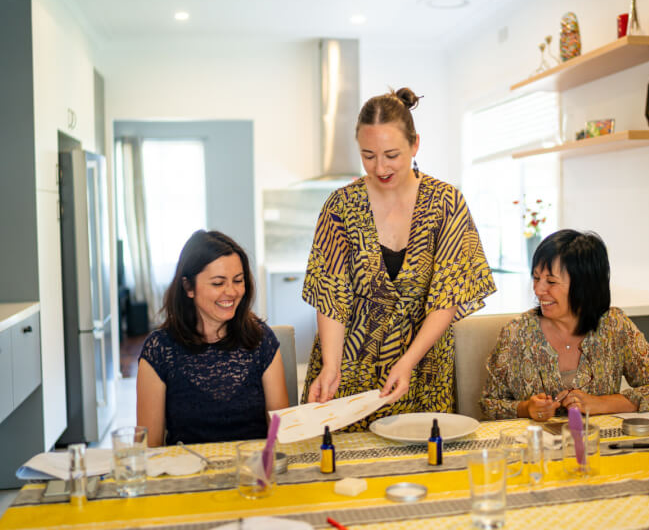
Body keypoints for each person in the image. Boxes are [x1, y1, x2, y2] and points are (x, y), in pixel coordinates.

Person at [302, 87, 496, 430]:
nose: (380, 167)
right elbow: (331, 296)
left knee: (421, 459)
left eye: (391, 154)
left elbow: (446, 298)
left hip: (423, 363)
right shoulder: (341, 206)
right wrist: (331, 365)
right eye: (368, 155)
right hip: (349, 361)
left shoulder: (446, 204)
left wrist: (407, 362)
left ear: (415, 144)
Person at [480, 229, 649, 420]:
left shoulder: (615, 326)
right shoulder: (516, 333)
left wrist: (603, 404)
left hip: (599, 446)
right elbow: (489, 405)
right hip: (538, 449)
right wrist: (526, 408)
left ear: (584, 286)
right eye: (536, 277)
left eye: (551, 281)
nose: (538, 290)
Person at [137, 230, 289, 446]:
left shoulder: (261, 340)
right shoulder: (159, 350)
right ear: (189, 287)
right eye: (218, 283)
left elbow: (280, 436)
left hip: (254, 474)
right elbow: (148, 450)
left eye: (238, 280)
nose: (232, 292)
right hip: (187, 476)